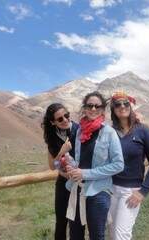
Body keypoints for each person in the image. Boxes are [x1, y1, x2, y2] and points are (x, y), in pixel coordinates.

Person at [65, 91, 124, 240]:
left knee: (97, 236)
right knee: (75, 235)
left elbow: (118, 164)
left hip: (98, 192)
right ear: (84, 108)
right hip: (77, 188)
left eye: (97, 106)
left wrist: (85, 173)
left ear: (103, 109)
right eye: (89, 105)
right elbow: (80, 159)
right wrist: (71, 166)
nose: (93, 109)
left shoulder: (109, 133)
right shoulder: (79, 132)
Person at [109, 92, 149, 240]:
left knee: (121, 235)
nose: (122, 106)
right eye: (117, 104)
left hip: (131, 191)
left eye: (125, 103)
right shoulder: (110, 132)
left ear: (130, 106)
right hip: (111, 188)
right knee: (112, 232)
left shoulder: (143, 130)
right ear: (113, 109)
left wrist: (143, 191)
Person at [42, 103, 79, 240]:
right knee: (61, 221)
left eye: (66, 115)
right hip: (63, 183)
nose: (65, 120)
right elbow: (53, 166)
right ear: (52, 122)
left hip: (80, 182)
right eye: (59, 119)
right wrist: (62, 152)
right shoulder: (51, 138)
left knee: (77, 222)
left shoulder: (79, 130)